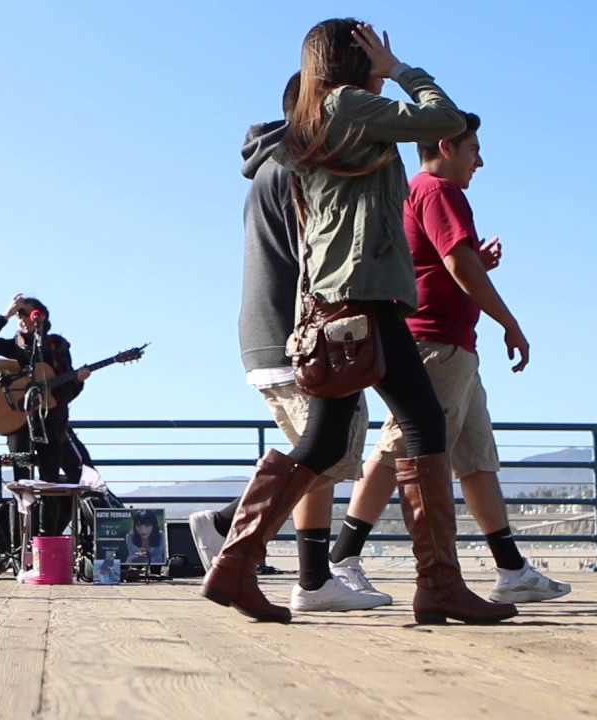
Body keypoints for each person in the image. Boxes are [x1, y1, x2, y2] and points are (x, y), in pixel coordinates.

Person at [202, 18, 517, 625]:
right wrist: (399, 70)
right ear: (351, 59)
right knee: (421, 422)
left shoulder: (325, 117)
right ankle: (438, 585)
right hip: (362, 301)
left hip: (342, 301)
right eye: (367, 47)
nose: (380, 54)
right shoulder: (350, 105)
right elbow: (447, 122)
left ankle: (236, 565)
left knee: (330, 437)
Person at [329, 113, 572, 604]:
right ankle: (344, 556)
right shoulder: (438, 191)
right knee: (400, 447)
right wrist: (510, 322)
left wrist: (477, 262)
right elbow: (457, 264)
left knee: (477, 460)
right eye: (473, 150)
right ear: (446, 146)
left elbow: (443, 261)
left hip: (454, 346)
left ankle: (510, 569)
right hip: (434, 345)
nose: (479, 161)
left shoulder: (415, 191)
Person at [188, 71, 388, 613]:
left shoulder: (269, 168)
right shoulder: (302, 170)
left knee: (322, 454)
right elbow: (322, 258)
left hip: (265, 334)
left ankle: (313, 577)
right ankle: (238, 531)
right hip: (296, 336)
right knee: (321, 452)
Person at [0, 294, 91, 534]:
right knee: (22, 481)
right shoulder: (14, 345)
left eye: (25, 313)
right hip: (18, 428)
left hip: (52, 426)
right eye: (18, 315)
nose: (22, 319)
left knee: (49, 481)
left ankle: (48, 541)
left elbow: (64, 394)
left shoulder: (57, 346)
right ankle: (22, 542)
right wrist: (5, 314)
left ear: (40, 316)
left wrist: (78, 382)